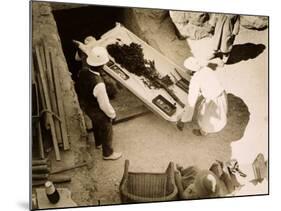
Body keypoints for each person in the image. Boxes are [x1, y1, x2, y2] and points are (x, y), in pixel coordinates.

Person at [77, 46, 122, 160]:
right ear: (102, 65)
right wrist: (112, 115)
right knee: (106, 125)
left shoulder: (83, 72)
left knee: (96, 122)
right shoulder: (99, 84)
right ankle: (108, 153)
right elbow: (104, 104)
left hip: (85, 105)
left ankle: (98, 143)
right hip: (95, 107)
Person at [177, 57, 228, 136]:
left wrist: (183, 119)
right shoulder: (206, 69)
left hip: (212, 101)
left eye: (187, 69)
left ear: (192, 70)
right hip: (222, 95)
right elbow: (219, 62)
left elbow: (191, 102)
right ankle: (206, 130)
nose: (186, 71)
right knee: (221, 113)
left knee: (207, 119)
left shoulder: (195, 80)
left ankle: (203, 132)